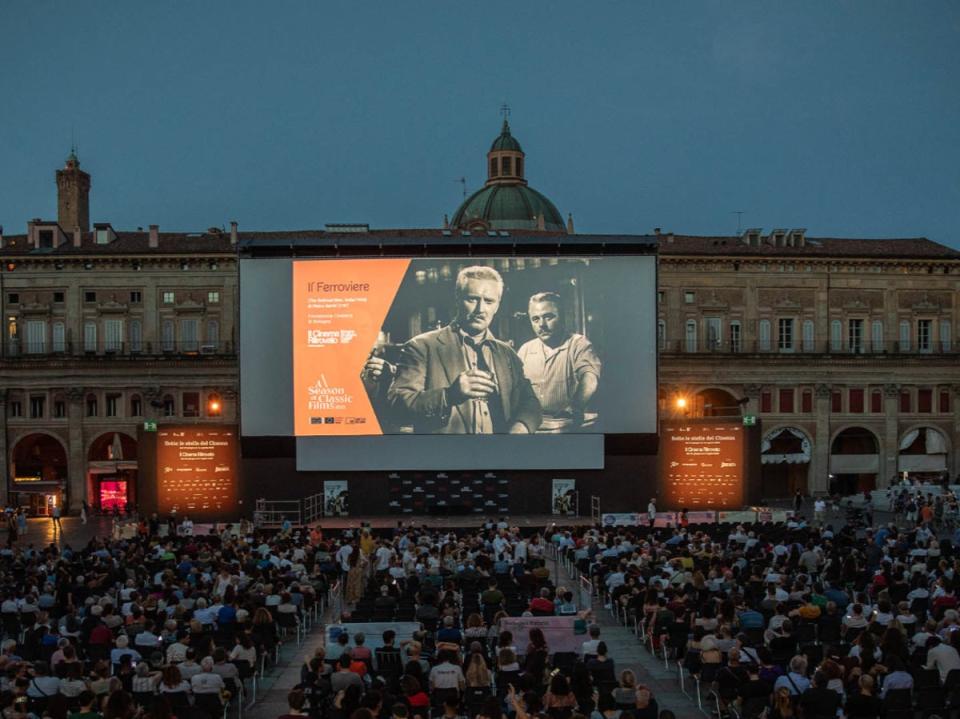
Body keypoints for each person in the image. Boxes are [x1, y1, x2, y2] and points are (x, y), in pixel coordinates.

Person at [382, 265, 542, 434]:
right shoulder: (421, 347)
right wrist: (449, 395)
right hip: (448, 455)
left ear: (497, 306)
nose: (480, 309)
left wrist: (521, 426)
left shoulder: (507, 353)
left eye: (489, 301)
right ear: (457, 299)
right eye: (472, 299)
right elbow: (395, 407)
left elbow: (530, 401)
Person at [516, 291, 601, 432]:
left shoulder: (578, 344)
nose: (542, 325)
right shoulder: (525, 349)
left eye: (548, 317)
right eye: (535, 319)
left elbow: (590, 378)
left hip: (568, 428)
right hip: (534, 427)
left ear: (563, 317)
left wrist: (575, 407)